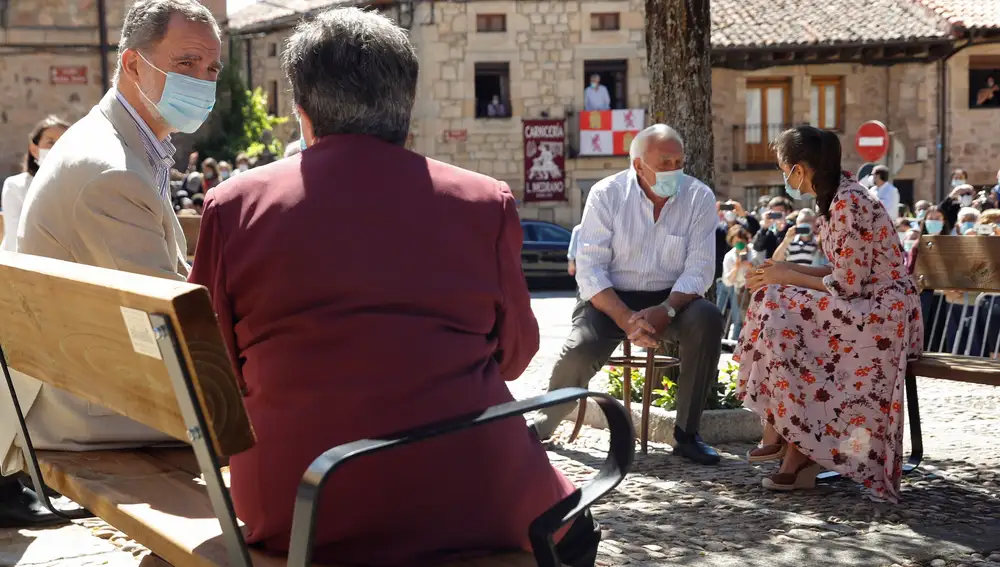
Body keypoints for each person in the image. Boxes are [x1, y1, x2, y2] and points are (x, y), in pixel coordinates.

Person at [188, 8, 600, 566]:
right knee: (576, 531)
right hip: (471, 490)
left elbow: (213, 366)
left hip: (297, 499)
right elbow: (515, 356)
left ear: (302, 115)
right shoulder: (482, 202)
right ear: (405, 111)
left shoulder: (234, 205)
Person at [8, 0, 221, 506]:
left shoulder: (119, 143)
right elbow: (176, 332)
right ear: (131, 64)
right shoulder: (113, 169)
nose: (203, 82)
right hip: (83, 407)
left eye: (211, 69)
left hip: (80, 378)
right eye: (186, 64)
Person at [736, 125, 922, 501]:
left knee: (775, 303)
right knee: (773, 298)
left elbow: (849, 283)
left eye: (782, 168)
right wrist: (781, 274)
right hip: (868, 305)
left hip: (883, 313)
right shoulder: (838, 198)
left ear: (799, 170)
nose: (783, 177)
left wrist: (786, 274)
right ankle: (793, 447)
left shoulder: (847, 202)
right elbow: (844, 274)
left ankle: (780, 427)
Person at [531, 124, 724, 465]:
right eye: (665, 162)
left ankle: (687, 435)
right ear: (638, 165)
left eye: (679, 161)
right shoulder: (607, 193)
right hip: (609, 298)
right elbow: (590, 269)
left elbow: (700, 269)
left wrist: (666, 309)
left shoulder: (699, 197)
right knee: (579, 347)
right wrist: (624, 317)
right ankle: (544, 423)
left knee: (707, 318)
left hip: (671, 299)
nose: (674, 170)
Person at [1, 116, 70, 252]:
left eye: (63, 142)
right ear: (34, 149)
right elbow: (15, 239)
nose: (56, 147)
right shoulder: (15, 186)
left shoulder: (75, 187)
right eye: (50, 142)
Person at [721, 225, 757, 341]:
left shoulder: (754, 253)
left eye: (741, 241)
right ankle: (737, 343)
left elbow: (762, 271)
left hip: (754, 289)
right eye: (736, 242)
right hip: (739, 291)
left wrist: (750, 266)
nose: (739, 244)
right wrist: (736, 267)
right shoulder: (729, 257)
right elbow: (727, 281)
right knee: (739, 319)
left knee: (755, 319)